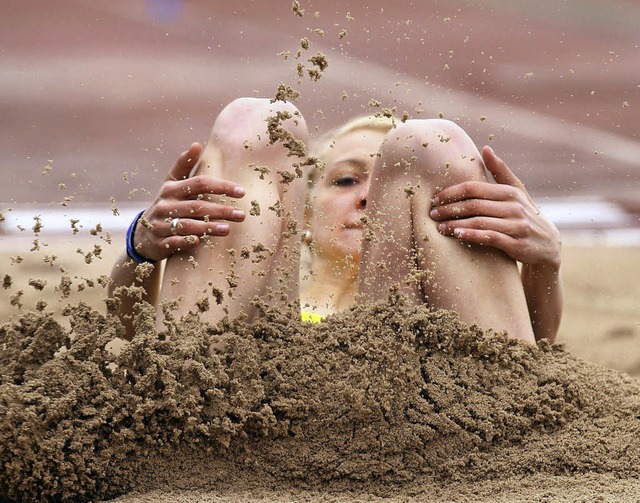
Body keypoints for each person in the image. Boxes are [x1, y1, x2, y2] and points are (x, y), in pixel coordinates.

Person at [109, 97, 563, 344]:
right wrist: (141, 246)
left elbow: (537, 351)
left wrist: (545, 261)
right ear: (300, 214)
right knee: (259, 122)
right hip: (240, 408)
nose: (369, 199)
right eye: (346, 181)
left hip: (423, 409)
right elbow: (128, 336)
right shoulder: (251, 305)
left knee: (432, 143)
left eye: (392, 192)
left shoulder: (436, 308)